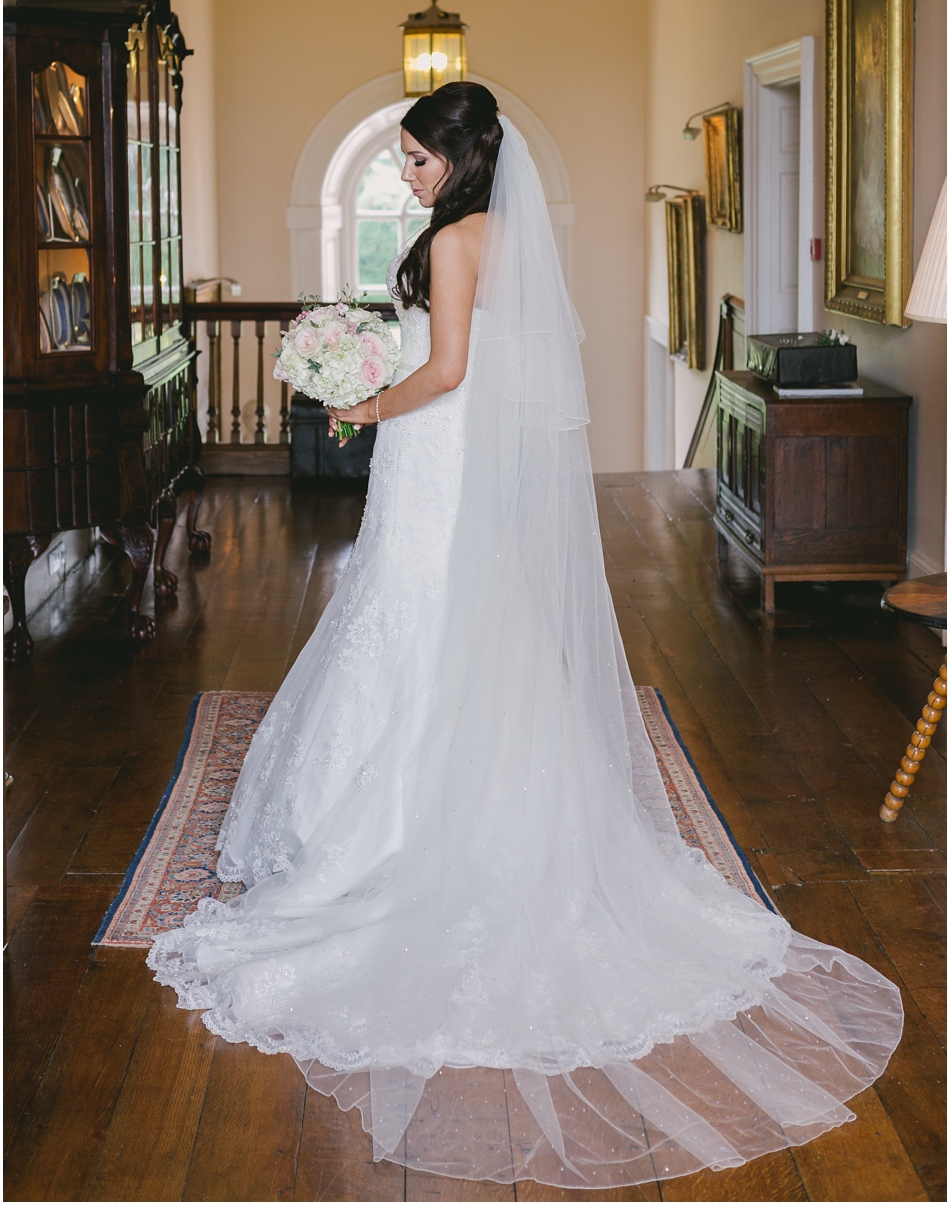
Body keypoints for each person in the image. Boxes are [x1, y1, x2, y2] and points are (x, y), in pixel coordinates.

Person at [149, 83, 902, 1190]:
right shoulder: (498, 231)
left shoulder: (453, 238)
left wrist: (360, 407)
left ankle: (392, 830)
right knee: (448, 618)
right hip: (464, 461)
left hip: (435, 455)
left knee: (406, 615)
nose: (403, 177)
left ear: (454, 158)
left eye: (411, 160)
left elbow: (447, 370)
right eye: (400, 161)